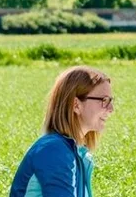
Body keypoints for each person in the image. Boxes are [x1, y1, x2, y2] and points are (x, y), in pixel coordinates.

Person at [10, 65, 115, 197]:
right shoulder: (53, 150)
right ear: (76, 105)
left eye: (111, 100)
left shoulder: (77, 153)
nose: (111, 108)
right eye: (104, 100)